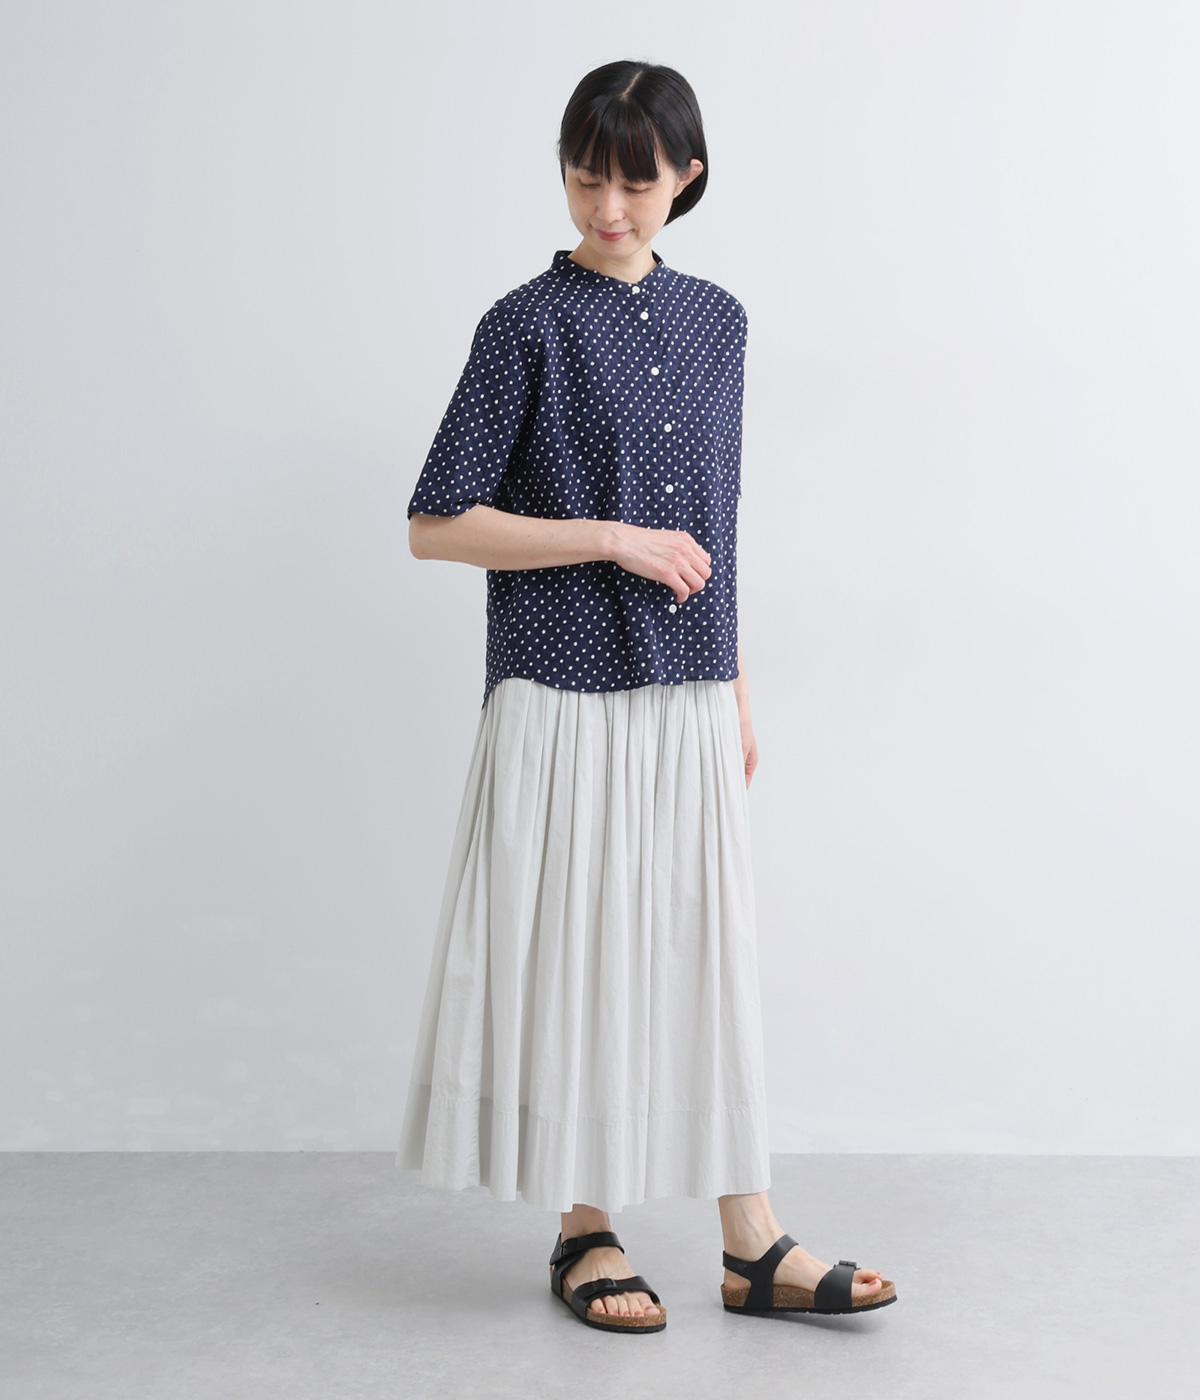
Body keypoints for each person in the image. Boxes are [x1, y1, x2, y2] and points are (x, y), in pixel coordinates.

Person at [395, 59, 897, 1332]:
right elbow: (436, 523)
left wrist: (736, 683)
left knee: (704, 956)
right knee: (582, 960)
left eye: (633, 181)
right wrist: (608, 536)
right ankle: (585, 1226)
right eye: (584, 178)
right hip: (561, 693)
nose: (606, 208)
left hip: (689, 690)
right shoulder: (523, 323)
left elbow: (720, 519)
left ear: (687, 176)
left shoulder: (721, 321)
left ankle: (750, 1240)